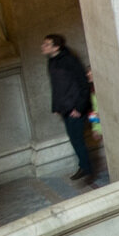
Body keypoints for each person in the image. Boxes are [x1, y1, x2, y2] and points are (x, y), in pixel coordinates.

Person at [43, 33, 95, 182]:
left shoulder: (69, 61)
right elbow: (57, 87)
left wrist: (79, 108)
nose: (43, 47)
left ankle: (87, 169)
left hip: (75, 108)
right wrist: (57, 107)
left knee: (78, 139)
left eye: (47, 44)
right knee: (74, 139)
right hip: (65, 108)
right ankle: (84, 167)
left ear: (56, 47)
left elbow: (83, 84)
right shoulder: (52, 62)